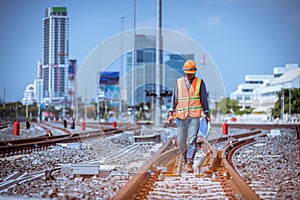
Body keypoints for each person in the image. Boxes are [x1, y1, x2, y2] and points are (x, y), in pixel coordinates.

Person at [168, 60, 210, 173]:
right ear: (184, 72)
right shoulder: (179, 82)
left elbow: (204, 99)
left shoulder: (200, 83)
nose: (189, 74)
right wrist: (171, 111)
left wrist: (207, 113)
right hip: (181, 116)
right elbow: (174, 98)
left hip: (194, 116)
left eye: (191, 72)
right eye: (188, 72)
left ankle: (189, 162)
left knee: (192, 140)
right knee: (181, 141)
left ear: (195, 72)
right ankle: (186, 158)